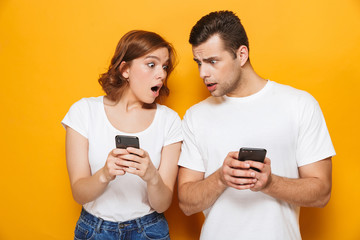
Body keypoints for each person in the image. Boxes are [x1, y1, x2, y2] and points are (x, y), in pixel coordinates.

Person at [177, 10, 335, 240]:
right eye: (199, 63)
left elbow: (322, 193)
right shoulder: (195, 116)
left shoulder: (299, 104)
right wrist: (221, 178)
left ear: (241, 55)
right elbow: (186, 203)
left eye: (212, 61)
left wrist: (269, 183)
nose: (203, 73)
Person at [62, 30, 182, 240]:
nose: (161, 74)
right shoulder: (84, 112)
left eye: (165, 67)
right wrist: (105, 174)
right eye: (151, 64)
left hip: (149, 230)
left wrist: (152, 176)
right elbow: (79, 193)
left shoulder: (169, 121)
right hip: (94, 230)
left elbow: (162, 204)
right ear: (125, 69)